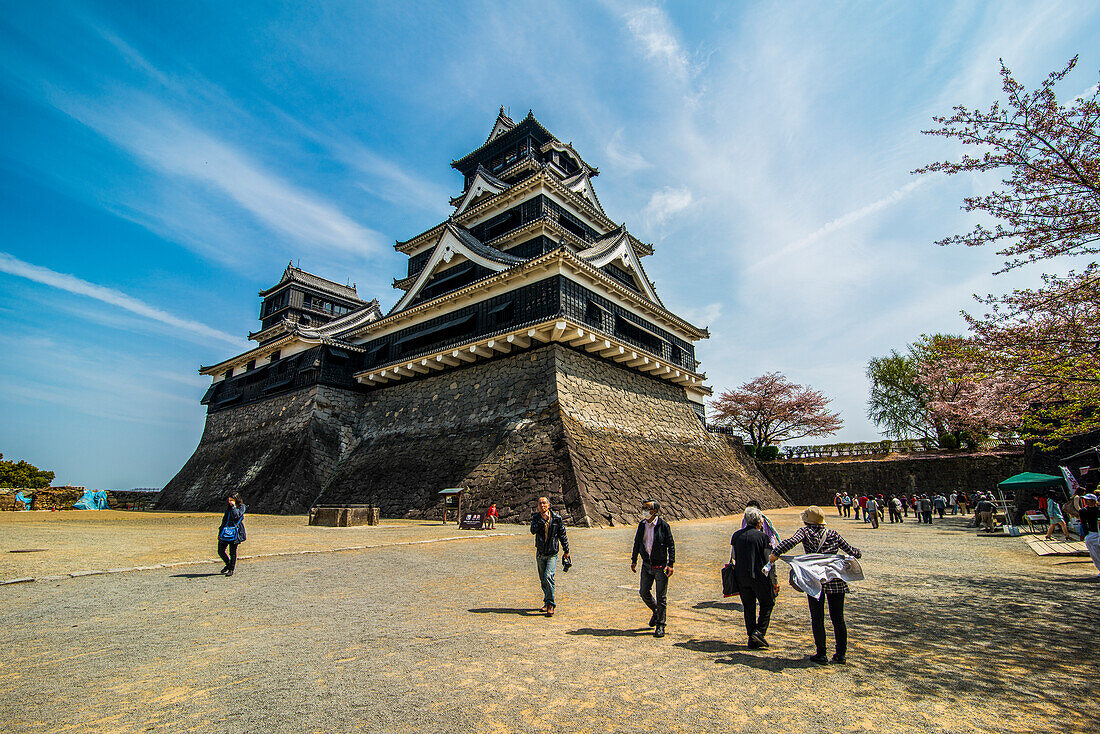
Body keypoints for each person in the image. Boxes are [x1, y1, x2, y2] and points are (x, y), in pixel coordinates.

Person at [769, 506, 862, 664]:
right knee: (838, 617)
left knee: (817, 617)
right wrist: (855, 553)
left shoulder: (805, 532)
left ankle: (822, 653)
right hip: (835, 579)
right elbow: (853, 552)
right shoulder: (833, 534)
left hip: (815, 579)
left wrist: (775, 554)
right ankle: (841, 654)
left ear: (807, 520)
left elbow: (791, 542)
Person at [731, 507, 779, 648]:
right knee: (768, 603)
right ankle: (758, 633)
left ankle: (751, 636)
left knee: (748, 606)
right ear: (758, 521)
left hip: (741, 576)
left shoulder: (736, 535)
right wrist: (774, 581)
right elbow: (768, 560)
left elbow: (734, 556)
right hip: (759, 576)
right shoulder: (762, 537)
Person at [631, 500, 675, 638]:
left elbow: (671, 545)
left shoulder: (663, 526)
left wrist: (671, 564)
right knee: (644, 592)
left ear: (655, 511)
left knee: (661, 597)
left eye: (647, 508)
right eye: (643, 508)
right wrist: (634, 560)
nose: (644, 510)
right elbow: (637, 543)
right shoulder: (642, 525)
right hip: (646, 564)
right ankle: (656, 611)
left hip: (660, 565)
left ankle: (661, 625)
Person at [530, 496, 570, 616]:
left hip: (552, 552)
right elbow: (532, 530)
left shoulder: (557, 518)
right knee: (543, 580)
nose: (542, 505)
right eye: (540, 503)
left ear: (549, 504)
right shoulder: (536, 517)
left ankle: (551, 604)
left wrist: (566, 550)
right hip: (541, 552)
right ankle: (547, 601)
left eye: (544, 503)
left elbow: (562, 534)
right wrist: (542, 521)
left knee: (548, 576)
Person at [217, 493, 246, 577]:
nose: (229, 502)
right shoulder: (228, 508)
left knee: (232, 552)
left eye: (231, 500)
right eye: (229, 500)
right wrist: (220, 532)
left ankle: (231, 569)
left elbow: (237, 516)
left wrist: (233, 507)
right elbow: (224, 520)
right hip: (226, 531)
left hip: (235, 532)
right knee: (220, 551)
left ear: (236, 500)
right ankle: (228, 564)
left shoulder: (241, 507)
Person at [1079, 494, 1100, 577]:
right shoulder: (1083, 511)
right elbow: (1083, 523)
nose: (1086, 501)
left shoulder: (1099, 510)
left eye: (1088, 500)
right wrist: (1084, 534)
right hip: (1092, 533)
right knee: (1095, 553)